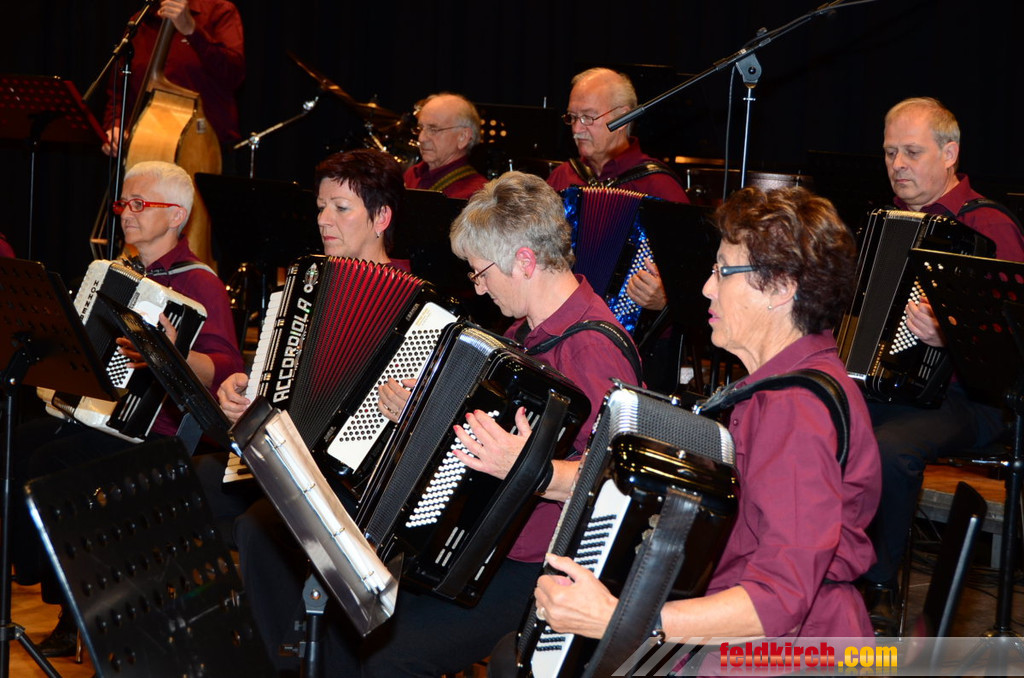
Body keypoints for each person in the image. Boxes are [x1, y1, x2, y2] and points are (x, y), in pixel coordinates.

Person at [534, 187, 881, 657]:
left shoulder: (796, 412)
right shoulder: (778, 388)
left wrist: (619, 618)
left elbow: (778, 601)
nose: (706, 288)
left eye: (723, 271)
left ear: (781, 288)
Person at [11, 160, 243, 656]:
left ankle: (77, 615)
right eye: (123, 203)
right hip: (103, 418)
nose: (125, 213)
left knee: (50, 463)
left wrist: (172, 353)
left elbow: (226, 368)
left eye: (139, 204)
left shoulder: (200, 283)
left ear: (176, 215)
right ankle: (43, 582)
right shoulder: (118, 272)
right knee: (16, 441)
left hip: (158, 432)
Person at [860, 97, 1024, 634]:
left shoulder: (988, 226)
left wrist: (953, 336)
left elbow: (1012, 347)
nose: (897, 164)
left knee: (890, 447)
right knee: (817, 412)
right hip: (897, 390)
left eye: (912, 152)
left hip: (974, 400)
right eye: (890, 153)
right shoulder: (889, 222)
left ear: (950, 153)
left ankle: (878, 588)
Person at [548, 67, 690, 393]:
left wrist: (667, 298)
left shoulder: (660, 187)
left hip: (639, 350)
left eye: (588, 117)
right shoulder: (562, 178)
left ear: (624, 118)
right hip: (560, 339)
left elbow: (694, 285)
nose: (577, 129)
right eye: (572, 118)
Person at [102, 0, 245, 156]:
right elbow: (119, 89)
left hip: (204, 150)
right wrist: (115, 125)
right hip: (145, 147)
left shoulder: (218, 10)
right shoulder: (140, 21)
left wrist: (192, 30)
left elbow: (234, 75)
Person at [402, 92, 487, 199]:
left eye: (433, 129)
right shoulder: (412, 175)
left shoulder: (477, 195)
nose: (421, 138)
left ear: (463, 137)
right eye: (420, 128)